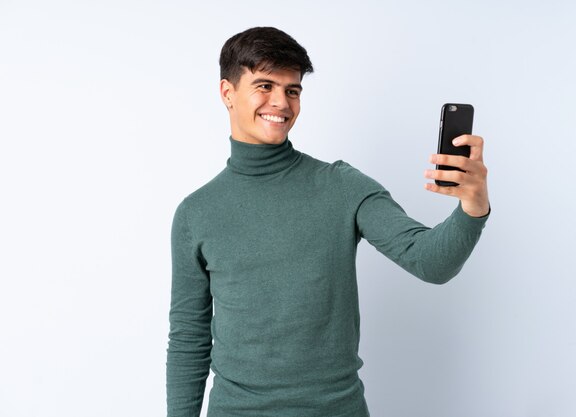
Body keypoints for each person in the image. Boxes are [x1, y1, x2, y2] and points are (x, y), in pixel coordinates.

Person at [166, 26, 490, 417]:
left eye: (293, 90)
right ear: (227, 93)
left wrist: (473, 207)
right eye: (264, 86)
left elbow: (431, 262)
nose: (281, 103)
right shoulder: (196, 213)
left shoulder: (341, 186)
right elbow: (189, 340)